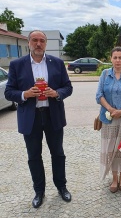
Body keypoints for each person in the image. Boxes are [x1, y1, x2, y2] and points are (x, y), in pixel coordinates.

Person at [4, 30, 73, 208]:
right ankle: (39, 191)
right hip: (31, 117)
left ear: (46, 43)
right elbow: (9, 91)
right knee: (34, 156)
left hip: (53, 115)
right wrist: (25, 94)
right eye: (35, 40)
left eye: (42, 40)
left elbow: (68, 87)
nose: (38, 43)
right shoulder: (17, 65)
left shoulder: (57, 63)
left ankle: (61, 186)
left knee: (58, 154)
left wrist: (56, 93)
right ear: (29, 43)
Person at [96, 47, 121, 193]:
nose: (118, 60)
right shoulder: (104, 75)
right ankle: (114, 178)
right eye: (115, 57)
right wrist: (111, 110)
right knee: (110, 148)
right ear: (111, 59)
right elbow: (99, 95)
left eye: (120, 57)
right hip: (109, 119)